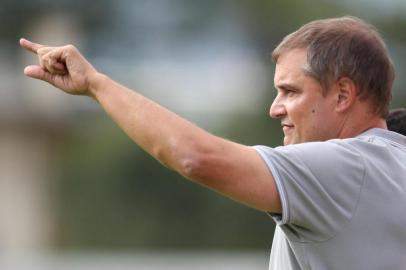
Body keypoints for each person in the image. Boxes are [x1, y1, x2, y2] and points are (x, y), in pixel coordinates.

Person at [20, 16, 406, 270]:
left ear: (342, 96)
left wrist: (96, 85)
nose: (276, 109)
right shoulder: (391, 161)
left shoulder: (344, 168)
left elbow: (195, 157)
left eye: (290, 92)